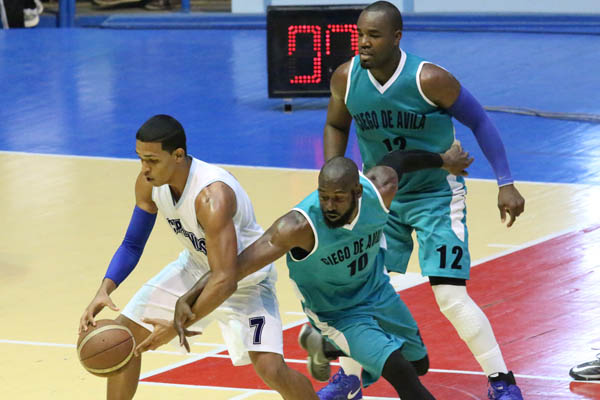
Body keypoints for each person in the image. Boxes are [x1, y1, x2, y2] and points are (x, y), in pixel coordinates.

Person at [318, 2, 526, 400]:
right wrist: (333, 174)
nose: (363, 42)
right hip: (381, 198)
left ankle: (501, 381)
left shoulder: (429, 79)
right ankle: (349, 378)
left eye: (374, 35)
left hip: (436, 195)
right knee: (356, 286)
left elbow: (480, 120)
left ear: (397, 37)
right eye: (360, 34)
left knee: (450, 296)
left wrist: (506, 182)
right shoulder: (346, 77)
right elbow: (335, 124)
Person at [165, 145, 474, 400]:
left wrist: (445, 160)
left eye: (338, 198)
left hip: (377, 291)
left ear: (357, 192)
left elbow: (400, 158)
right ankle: (331, 338)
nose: (329, 205)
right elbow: (236, 266)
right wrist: (190, 295)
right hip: (337, 313)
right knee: (402, 373)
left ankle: (325, 346)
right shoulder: (297, 227)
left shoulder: (380, 189)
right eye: (323, 196)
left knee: (419, 364)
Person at [78, 114, 318, 400]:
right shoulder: (149, 183)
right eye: (140, 159)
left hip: (245, 281)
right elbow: (132, 244)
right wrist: (104, 288)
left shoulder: (212, 197)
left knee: (272, 369)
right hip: (194, 269)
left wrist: (176, 326)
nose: (144, 169)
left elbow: (225, 278)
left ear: (178, 155)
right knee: (123, 338)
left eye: (152, 160)